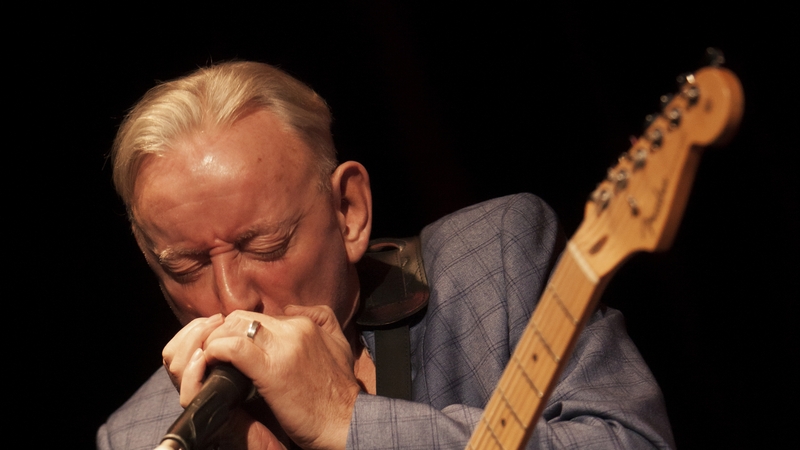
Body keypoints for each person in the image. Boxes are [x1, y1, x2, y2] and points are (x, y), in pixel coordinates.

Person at [98, 61, 675, 450]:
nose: (230, 297)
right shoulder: (138, 436)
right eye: (186, 266)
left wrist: (347, 420)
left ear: (348, 211)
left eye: (265, 245)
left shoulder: (494, 261)